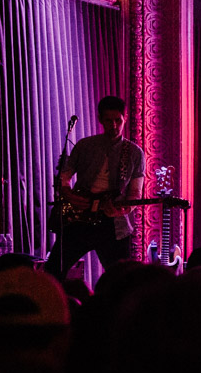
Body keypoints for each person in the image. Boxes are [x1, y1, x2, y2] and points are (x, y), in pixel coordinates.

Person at [45, 96, 144, 281]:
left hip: (113, 223)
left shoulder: (134, 152)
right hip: (79, 216)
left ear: (125, 118)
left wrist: (124, 208)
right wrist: (68, 194)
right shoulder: (84, 145)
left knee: (122, 279)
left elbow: (135, 193)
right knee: (54, 270)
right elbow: (63, 178)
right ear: (100, 119)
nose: (113, 125)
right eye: (108, 120)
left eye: (118, 120)